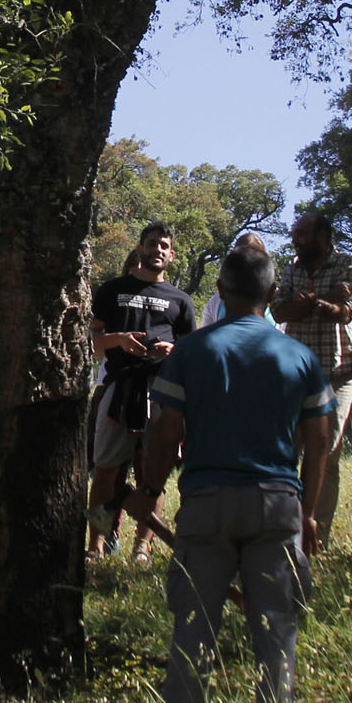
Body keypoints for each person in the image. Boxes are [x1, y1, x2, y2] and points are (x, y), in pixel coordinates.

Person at [127, 244, 332, 703]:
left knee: (193, 626)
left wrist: (149, 492)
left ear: (220, 291)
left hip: (207, 503)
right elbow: (321, 440)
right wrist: (306, 513)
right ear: (273, 292)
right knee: (276, 624)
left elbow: (164, 432)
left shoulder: (192, 352)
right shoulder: (299, 357)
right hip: (277, 502)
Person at [88, 222, 197, 564]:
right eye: (152, 243)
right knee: (105, 469)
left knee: (155, 472)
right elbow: (89, 345)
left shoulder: (181, 301)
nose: (157, 250)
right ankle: (96, 545)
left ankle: (143, 546)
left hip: (162, 392)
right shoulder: (112, 290)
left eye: (164, 245)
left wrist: (171, 351)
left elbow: (191, 354)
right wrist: (119, 341)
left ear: (172, 254)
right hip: (119, 388)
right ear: (139, 248)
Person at [270, 212, 352, 551]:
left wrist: (320, 305)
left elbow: (348, 311)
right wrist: (311, 304)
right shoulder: (292, 269)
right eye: (294, 234)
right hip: (295, 377)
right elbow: (279, 311)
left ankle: (316, 538)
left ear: (324, 235)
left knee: (325, 454)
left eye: (303, 234)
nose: (296, 240)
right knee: (286, 453)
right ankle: (282, 532)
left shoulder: (349, 265)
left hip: (337, 374)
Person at [200, 233, 279, 326]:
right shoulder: (215, 303)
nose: (248, 260)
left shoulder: (279, 300)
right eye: (241, 256)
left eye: (255, 255)